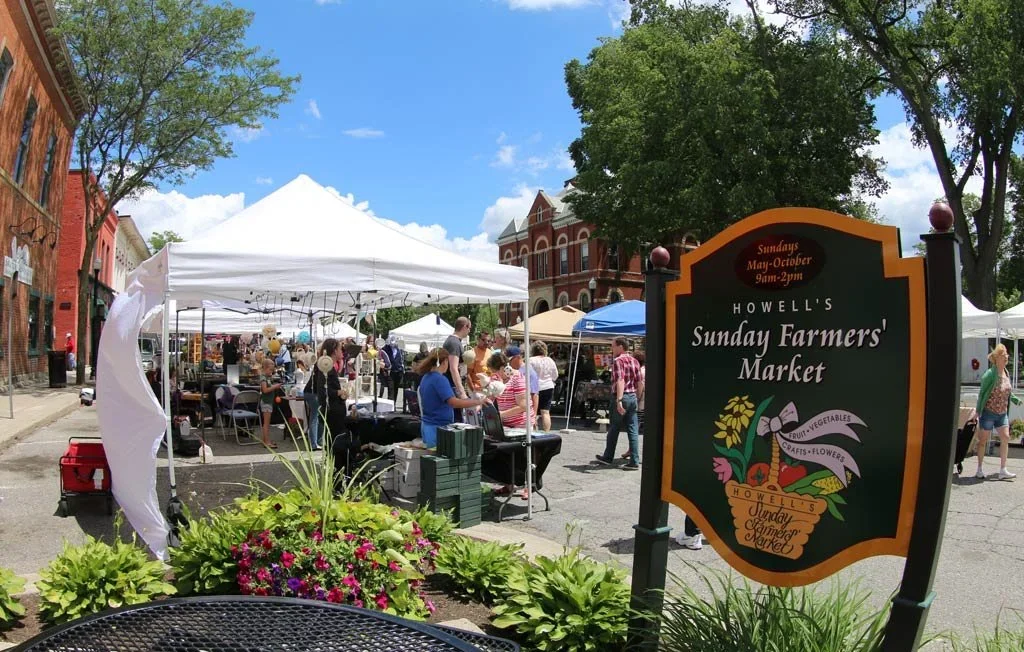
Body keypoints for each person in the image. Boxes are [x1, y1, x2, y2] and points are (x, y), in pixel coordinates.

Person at [414, 347, 488, 447]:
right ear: (444, 361)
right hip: (438, 428)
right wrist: (477, 402)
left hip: (427, 426)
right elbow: (453, 403)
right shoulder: (440, 379)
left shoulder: (426, 377)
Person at [488, 351, 534, 498]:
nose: (495, 375)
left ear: (503, 368)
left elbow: (523, 406)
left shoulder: (518, 379)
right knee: (506, 456)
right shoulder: (497, 378)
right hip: (506, 424)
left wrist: (500, 415)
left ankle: (529, 486)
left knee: (525, 456)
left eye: (496, 372)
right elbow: (490, 396)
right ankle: (508, 484)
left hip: (521, 423)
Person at [595, 337, 644, 470]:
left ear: (620, 346)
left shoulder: (618, 361)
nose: (612, 349)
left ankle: (608, 457)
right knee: (633, 430)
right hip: (633, 397)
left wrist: (619, 400)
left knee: (614, 427)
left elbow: (620, 380)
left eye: (613, 346)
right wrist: (637, 398)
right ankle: (634, 460)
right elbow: (640, 383)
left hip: (621, 396)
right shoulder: (635, 361)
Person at [974, 344, 1020, 480]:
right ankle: (979, 469)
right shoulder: (989, 374)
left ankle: (1002, 470)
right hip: (988, 412)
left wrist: (1015, 399)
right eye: (1004, 354)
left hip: (1002, 414)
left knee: (1005, 437)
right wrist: (978, 411)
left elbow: (1005, 391)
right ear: (997, 357)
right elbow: (982, 393)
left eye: (1006, 354)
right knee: (982, 441)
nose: (1007, 356)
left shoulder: (1006, 372)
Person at [444, 317, 472, 421]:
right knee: (457, 421)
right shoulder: (454, 343)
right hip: (451, 387)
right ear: (465, 326)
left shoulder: (453, 341)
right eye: (469, 328)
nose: (469, 331)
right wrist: (462, 392)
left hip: (451, 385)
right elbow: (453, 368)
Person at [529, 341, 559, 431]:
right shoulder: (550, 360)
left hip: (534, 388)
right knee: (545, 412)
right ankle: (546, 432)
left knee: (533, 411)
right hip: (548, 387)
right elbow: (555, 375)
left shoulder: (531, 360)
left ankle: (534, 431)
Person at [506, 347, 539, 426]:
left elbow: (534, 395)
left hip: (523, 418)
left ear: (518, 358)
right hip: (511, 416)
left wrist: (534, 416)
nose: (509, 363)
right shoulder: (511, 370)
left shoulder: (529, 372)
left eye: (510, 360)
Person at [259, 359, 282, 449]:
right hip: (266, 402)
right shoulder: (263, 378)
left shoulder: (268, 378)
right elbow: (265, 390)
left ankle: (266, 440)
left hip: (269, 402)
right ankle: (267, 442)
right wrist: (274, 387)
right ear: (265, 368)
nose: (271, 372)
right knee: (266, 423)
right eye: (270, 370)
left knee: (267, 423)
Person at [380, 336, 405, 401]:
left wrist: (402, 369)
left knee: (396, 389)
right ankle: (390, 406)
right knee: (391, 389)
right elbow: (383, 358)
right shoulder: (385, 348)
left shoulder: (399, 348)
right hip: (390, 372)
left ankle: (394, 405)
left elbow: (401, 359)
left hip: (398, 371)